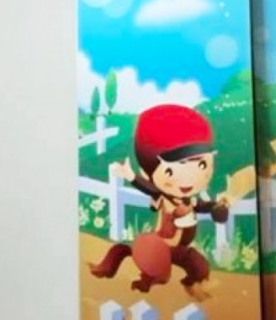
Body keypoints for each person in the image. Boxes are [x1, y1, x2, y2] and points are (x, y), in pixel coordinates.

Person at [89, 104, 229, 300]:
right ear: (147, 173)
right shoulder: (163, 197)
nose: (189, 179)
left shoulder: (188, 200)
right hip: (162, 244)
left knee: (199, 266)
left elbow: (202, 207)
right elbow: (150, 189)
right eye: (170, 171)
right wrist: (130, 176)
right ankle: (146, 280)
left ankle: (193, 284)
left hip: (179, 249)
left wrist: (217, 209)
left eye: (202, 165)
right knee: (157, 269)